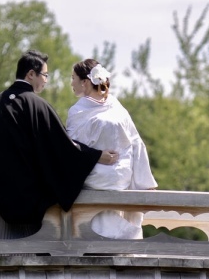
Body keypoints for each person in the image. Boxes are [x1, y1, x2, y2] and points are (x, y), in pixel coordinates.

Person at [0, 50, 119, 239]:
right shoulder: (37, 106)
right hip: (26, 199)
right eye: (45, 75)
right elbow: (62, 148)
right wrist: (95, 155)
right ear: (31, 74)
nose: (46, 81)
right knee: (28, 251)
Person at [66, 58, 157, 239]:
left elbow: (71, 149)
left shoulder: (77, 111)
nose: (71, 83)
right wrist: (145, 183)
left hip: (95, 178)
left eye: (73, 78)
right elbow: (136, 142)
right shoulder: (116, 106)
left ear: (85, 83)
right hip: (121, 176)